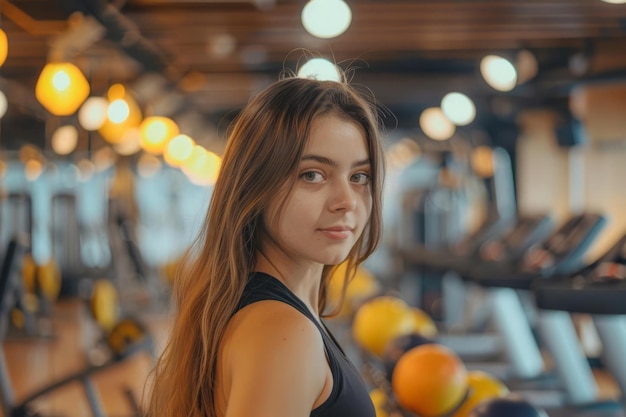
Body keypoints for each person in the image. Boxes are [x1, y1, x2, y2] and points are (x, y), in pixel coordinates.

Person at [147, 74, 386, 417]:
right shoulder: (284, 333)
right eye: (312, 175)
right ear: (255, 186)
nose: (346, 201)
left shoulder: (269, 314)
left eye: (359, 176)